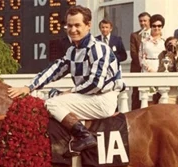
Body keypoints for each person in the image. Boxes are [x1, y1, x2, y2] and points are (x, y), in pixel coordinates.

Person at [8, 5, 125, 154]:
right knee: (51, 95)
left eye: (77, 25)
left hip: (102, 99)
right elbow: (54, 71)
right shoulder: (72, 51)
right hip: (89, 97)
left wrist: (70, 91)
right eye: (69, 25)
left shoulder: (97, 48)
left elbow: (96, 84)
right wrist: (29, 87)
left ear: (88, 26)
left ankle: (85, 136)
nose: (72, 29)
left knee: (51, 104)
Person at [130, 12, 151, 110]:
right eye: (141, 21)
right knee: (136, 95)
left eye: (145, 21)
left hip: (151, 69)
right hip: (137, 68)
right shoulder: (134, 35)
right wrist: (142, 64)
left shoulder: (154, 34)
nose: (143, 23)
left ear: (149, 21)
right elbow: (133, 53)